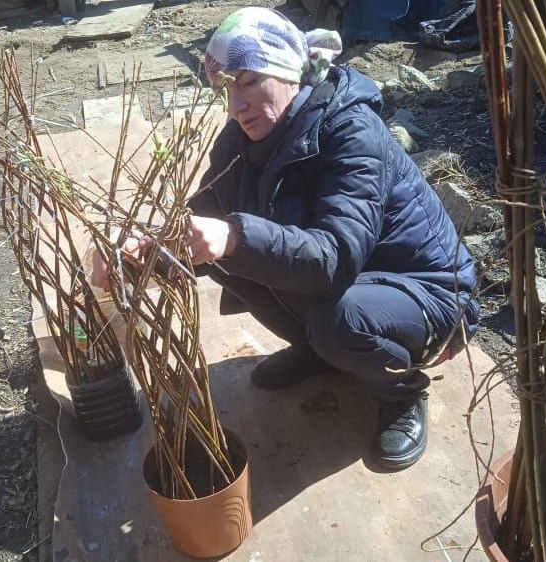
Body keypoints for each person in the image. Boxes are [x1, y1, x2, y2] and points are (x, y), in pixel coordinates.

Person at [183, 7, 480, 470]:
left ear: (286, 73)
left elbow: (335, 259)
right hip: (359, 284)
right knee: (226, 253)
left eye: (248, 82)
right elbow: (202, 216)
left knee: (330, 314)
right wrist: (144, 253)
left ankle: (401, 391)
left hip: (429, 295)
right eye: (226, 87)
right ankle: (319, 352)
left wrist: (237, 236)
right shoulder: (242, 136)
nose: (235, 105)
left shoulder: (350, 129)